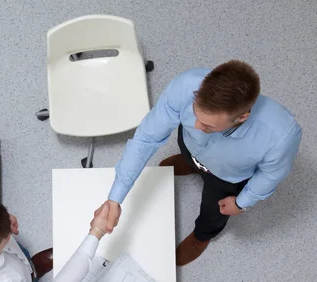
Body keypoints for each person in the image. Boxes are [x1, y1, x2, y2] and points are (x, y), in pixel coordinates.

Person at [102, 60, 302, 265]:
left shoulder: (280, 136)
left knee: (213, 212)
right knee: (188, 150)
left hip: (226, 177)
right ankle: (191, 164)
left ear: (241, 117)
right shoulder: (187, 85)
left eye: (208, 125)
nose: (196, 126)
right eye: (195, 114)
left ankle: (202, 236)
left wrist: (243, 203)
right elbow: (146, 138)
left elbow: (271, 175)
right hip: (191, 148)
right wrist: (116, 197)